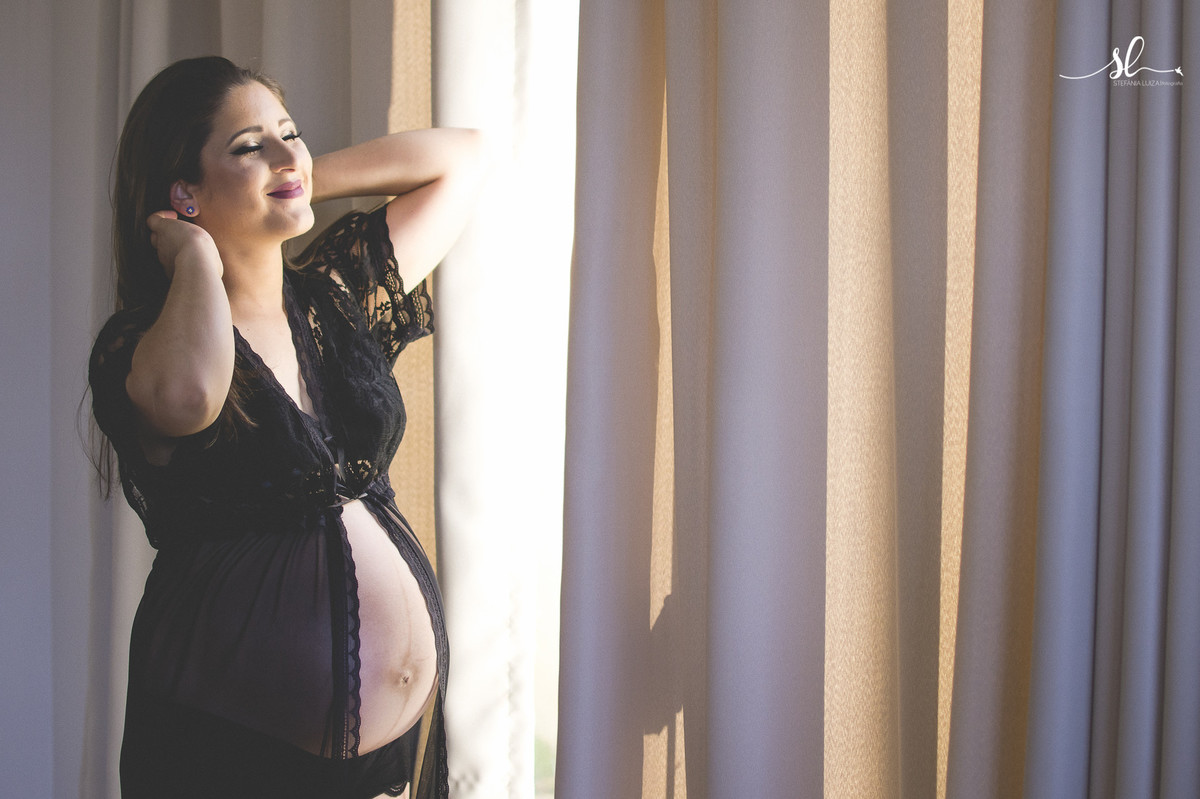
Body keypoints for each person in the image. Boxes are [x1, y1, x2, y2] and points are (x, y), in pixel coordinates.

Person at [89, 55, 483, 798]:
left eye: (289, 132)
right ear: (183, 191)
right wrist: (196, 258)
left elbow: (461, 158)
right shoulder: (139, 342)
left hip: (382, 765)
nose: (283, 151)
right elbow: (189, 397)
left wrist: (293, 175)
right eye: (248, 145)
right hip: (230, 754)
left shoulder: (334, 298)